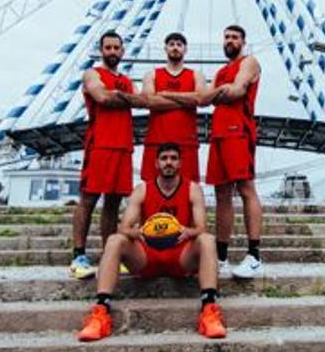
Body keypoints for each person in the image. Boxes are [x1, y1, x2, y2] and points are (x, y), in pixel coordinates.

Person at [77, 142, 226, 342]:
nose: (169, 163)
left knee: (207, 240)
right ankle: (101, 312)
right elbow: (125, 227)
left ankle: (209, 310)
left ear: (180, 163)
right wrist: (140, 232)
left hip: (179, 255)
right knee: (115, 239)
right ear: (156, 163)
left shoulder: (192, 189)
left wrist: (186, 231)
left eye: (173, 158)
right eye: (164, 159)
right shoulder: (142, 190)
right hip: (147, 256)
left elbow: (202, 227)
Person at [69, 30, 148, 280]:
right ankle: (78, 255)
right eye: (108, 47)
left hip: (123, 145)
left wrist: (122, 98)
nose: (112, 52)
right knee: (88, 199)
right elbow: (101, 96)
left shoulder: (125, 79)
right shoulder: (92, 74)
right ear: (101, 50)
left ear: (123, 51)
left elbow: (139, 101)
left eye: (116, 48)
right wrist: (127, 99)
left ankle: (108, 255)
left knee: (113, 204)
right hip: (100, 144)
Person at [207, 24, 263, 279]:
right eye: (226, 36)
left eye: (234, 37)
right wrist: (215, 94)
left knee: (245, 189)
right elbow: (216, 96)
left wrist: (211, 95)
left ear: (243, 41)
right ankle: (221, 257)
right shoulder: (221, 71)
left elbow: (237, 91)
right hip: (218, 133)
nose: (229, 40)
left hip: (237, 130)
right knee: (221, 194)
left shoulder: (249, 63)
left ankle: (254, 255)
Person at [140, 32, 210, 183]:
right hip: (156, 140)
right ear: (165, 48)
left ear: (185, 49)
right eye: (171, 44)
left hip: (186, 142)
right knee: (151, 189)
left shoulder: (196, 75)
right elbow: (149, 101)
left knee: (188, 188)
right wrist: (187, 99)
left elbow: (201, 98)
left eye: (179, 45)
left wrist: (165, 94)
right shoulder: (152, 74)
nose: (175, 48)